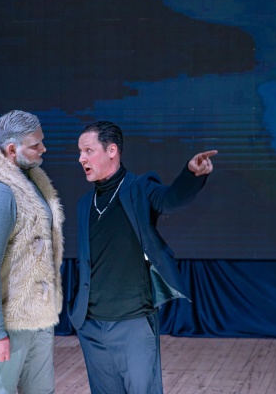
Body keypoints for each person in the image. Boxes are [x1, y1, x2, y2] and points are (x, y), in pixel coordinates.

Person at [69, 121, 217, 394]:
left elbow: (170, 199)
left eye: (88, 150)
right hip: (92, 326)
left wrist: (191, 175)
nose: (81, 158)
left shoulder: (139, 188)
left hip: (133, 323)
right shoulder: (84, 204)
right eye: (80, 152)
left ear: (112, 150)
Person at [0, 110, 65, 393]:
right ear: (12, 149)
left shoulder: (32, 184)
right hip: (10, 322)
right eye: (36, 145)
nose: (43, 149)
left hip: (39, 318)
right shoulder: (0, 193)